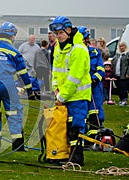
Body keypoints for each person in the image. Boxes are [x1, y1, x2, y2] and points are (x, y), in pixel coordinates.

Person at [0, 22, 32, 151]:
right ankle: (17, 145)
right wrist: (30, 89)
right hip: (8, 85)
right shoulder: (14, 52)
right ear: (13, 36)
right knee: (14, 114)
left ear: (0, 34)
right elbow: (23, 73)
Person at [49, 16, 91, 165]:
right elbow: (56, 71)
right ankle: (63, 155)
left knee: (76, 127)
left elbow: (75, 77)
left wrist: (62, 96)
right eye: (56, 33)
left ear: (68, 30)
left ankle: (76, 159)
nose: (58, 36)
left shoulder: (78, 49)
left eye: (60, 32)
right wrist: (56, 89)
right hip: (64, 95)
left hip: (78, 96)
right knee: (64, 126)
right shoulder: (57, 48)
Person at [78, 26, 105, 148]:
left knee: (94, 113)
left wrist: (94, 78)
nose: (86, 40)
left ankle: (93, 140)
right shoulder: (76, 53)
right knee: (81, 114)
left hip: (94, 89)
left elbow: (101, 70)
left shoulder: (95, 53)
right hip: (81, 88)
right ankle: (82, 139)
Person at [111, 41, 129, 106]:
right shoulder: (117, 54)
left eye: (123, 46)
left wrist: (128, 73)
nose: (121, 48)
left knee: (123, 87)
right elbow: (113, 62)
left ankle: (124, 100)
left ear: (125, 47)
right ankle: (121, 100)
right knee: (118, 88)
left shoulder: (127, 54)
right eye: (120, 46)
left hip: (124, 75)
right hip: (116, 74)